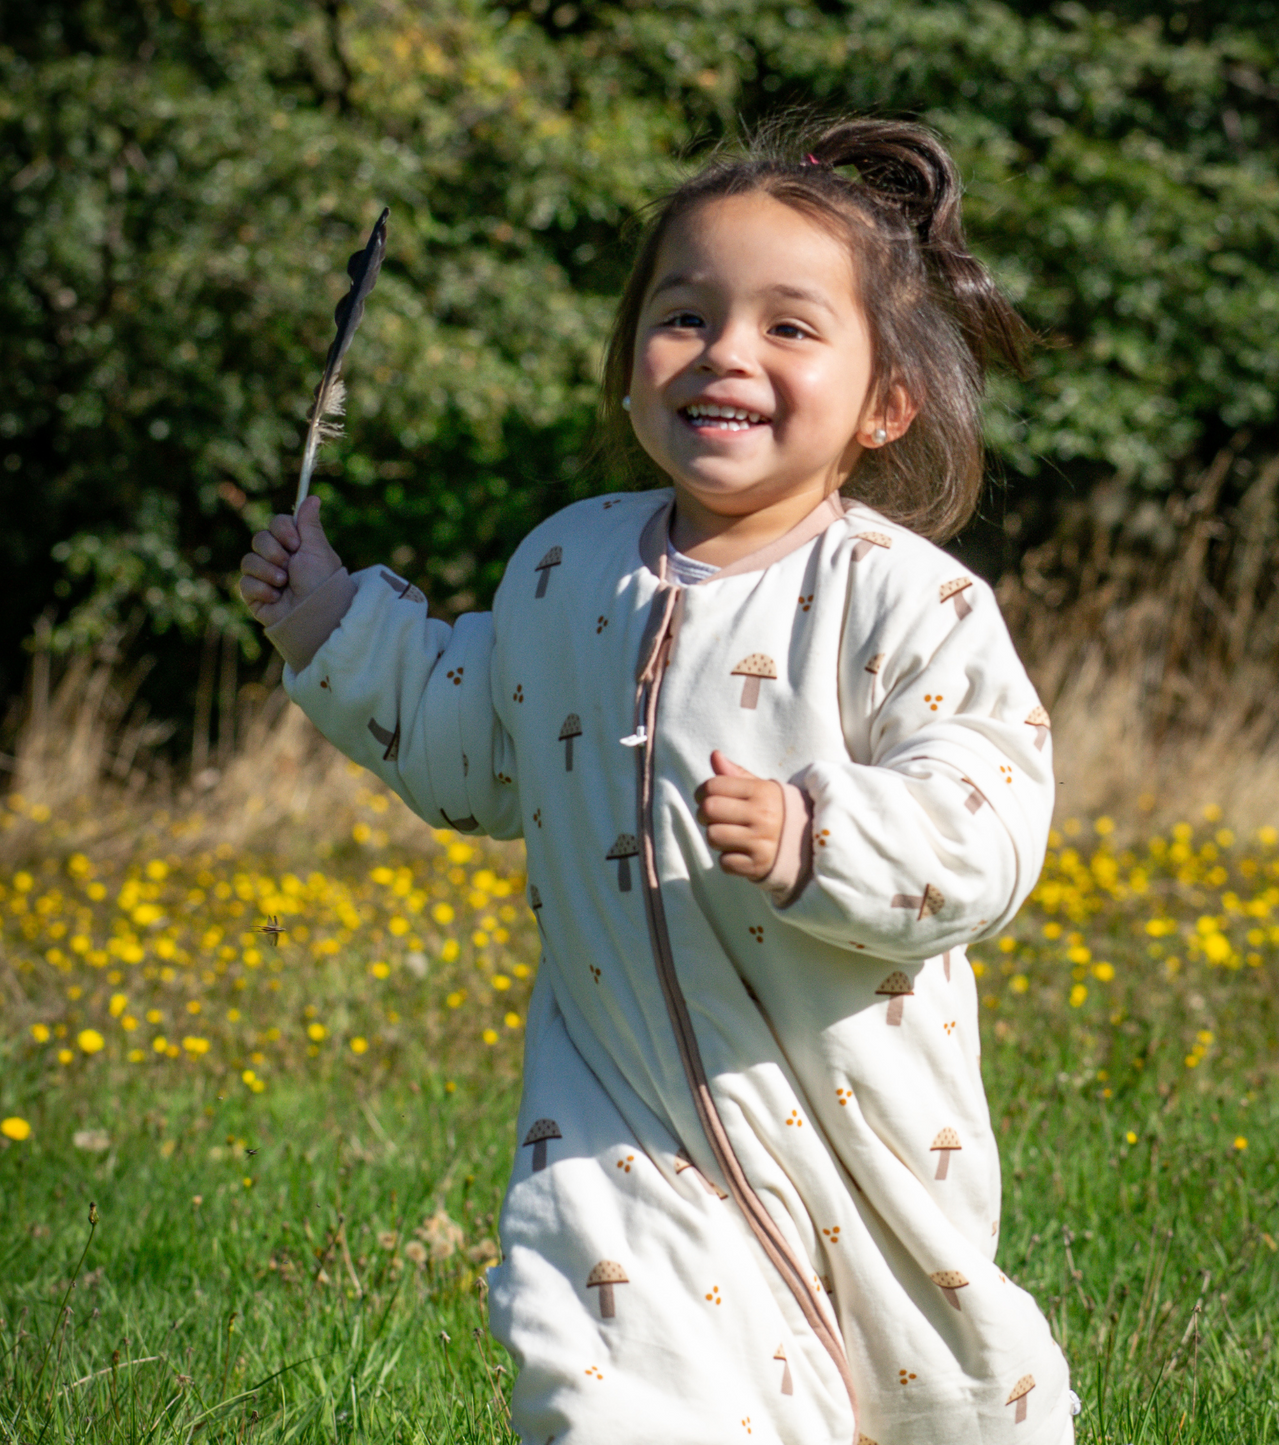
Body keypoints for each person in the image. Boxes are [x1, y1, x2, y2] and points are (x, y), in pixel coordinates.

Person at [241, 116, 1074, 1445]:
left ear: (884, 404)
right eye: (684, 317)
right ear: (633, 369)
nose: (727, 350)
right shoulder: (569, 568)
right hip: (619, 1117)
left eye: (789, 328)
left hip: (854, 1127)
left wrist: (823, 833)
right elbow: (478, 751)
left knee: (931, 1404)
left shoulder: (902, 600)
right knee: (615, 1389)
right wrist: (337, 625)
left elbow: (988, 810)